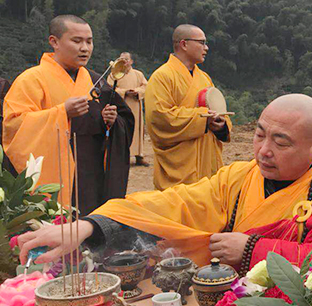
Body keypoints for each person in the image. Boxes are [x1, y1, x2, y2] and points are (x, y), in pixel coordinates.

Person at [17, 94, 312, 274]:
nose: (263, 151)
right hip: (221, 297)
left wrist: (252, 252)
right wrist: (89, 225)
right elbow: (177, 203)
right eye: (259, 134)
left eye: (281, 142)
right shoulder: (238, 176)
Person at [2, 15, 134, 216]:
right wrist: (62, 113)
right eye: (76, 41)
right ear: (54, 42)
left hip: (91, 175)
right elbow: (13, 127)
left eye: (89, 41)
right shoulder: (31, 79)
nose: (85, 48)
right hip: (54, 177)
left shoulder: (95, 80)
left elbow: (123, 121)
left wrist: (111, 122)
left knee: (88, 234)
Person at [145, 24, 232, 190]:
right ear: (184, 44)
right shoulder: (162, 77)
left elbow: (218, 109)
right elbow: (160, 117)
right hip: (179, 166)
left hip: (207, 163)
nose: (206, 48)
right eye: (202, 42)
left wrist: (221, 124)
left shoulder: (205, 78)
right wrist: (204, 119)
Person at [107, 52, 149, 166]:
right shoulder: (114, 74)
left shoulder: (138, 74)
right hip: (120, 106)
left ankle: (139, 156)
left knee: (137, 129)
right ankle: (122, 156)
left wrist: (137, 91)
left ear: (131, 61)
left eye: (126, 59)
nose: (124, 61)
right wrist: (124, 92)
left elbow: (145, 86)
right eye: (121, 59)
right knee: (121, 129)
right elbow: (109, 88)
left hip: (135, 104)